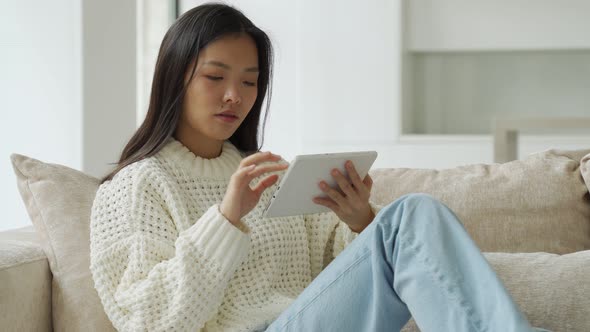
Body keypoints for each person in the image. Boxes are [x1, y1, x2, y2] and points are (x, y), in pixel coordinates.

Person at [89, 3, 550, 332]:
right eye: (216, 77)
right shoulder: (135, 187)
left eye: (249, 82)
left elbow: (339, 281)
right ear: (175, 76)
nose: (235, 96)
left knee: (412, 214)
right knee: (409, 217)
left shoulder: (266, 176)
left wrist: (359, 220)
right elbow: (146, 321)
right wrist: (226, 220)